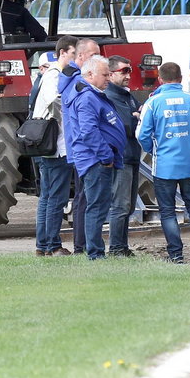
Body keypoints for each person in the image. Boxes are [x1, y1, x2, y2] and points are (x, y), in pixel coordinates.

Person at [137, 62, 190, 265]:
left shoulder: (153, 102)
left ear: (160, 80)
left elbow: (142, 135)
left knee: (167, 210)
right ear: (181, 79)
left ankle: (176, 255)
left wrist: (152, 149)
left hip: (164, 165)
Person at [68, 55, 126, 259]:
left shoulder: (93, 95)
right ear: (90, 74)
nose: (108, 78)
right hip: (96, 161)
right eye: (104, 74)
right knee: (96, 207)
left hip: (98, 160)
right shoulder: (87, 98)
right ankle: (95, 253)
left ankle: (95, 250)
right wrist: (106, 156)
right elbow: (89, 132)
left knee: (98, 206)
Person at [31, 37, 78, 256]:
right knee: (55, 198)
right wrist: (69, 116)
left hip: (49, 146)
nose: (75, 58)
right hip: (57, 146)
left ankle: (44, 245)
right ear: (62, 54)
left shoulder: (49, 74)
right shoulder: (54, 75)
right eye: (73, 54)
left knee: (48, 197)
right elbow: (54, 99)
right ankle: (51, 244)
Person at [59, 37, 101, 253]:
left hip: (78, 148)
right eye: (94, 54)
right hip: (83, 149)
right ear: (81, 56)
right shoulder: (78, 83)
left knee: (83, 197)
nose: (99, 58)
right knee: (85, 198)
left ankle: (82, 244)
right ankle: (83, 245)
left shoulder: (69, 79)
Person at [104, 55, 142, 258]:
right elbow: (126, 125)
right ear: (110, 75)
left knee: (128, 205)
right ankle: (117, 248)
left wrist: (138, 117)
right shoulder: (111, 96)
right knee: (120, 205)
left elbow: (137, 118)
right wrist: (138, 118)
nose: (129, 75)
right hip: (122, 158)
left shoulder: (126, 96)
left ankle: (122, 246)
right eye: (124, 71)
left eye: (130, 70)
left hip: (132, 156)